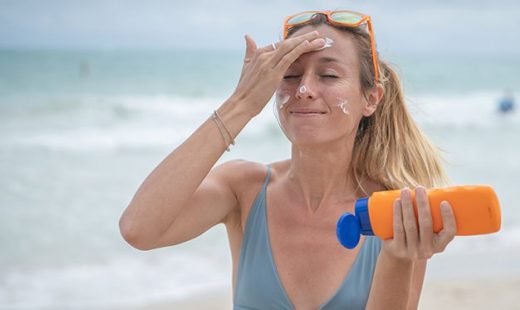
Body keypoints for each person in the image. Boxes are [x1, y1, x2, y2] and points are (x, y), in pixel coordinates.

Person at [120, 10, 457, 309]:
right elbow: (139, 229)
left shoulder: (394, 210)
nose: (304, 89)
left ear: (370, 98)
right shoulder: (244, 190)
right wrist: (241, 104)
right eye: (291, 75)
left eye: (328, 76)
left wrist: (399, 258)